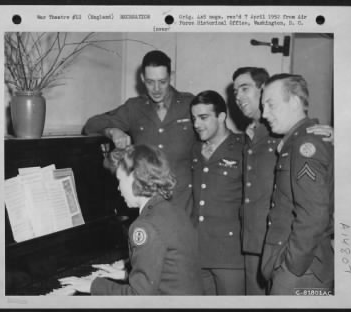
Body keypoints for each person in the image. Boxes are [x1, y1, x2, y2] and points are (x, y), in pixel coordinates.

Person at [232, 67, 334, 295]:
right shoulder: (290, 140)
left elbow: (314, 215)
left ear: (295, 102)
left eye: (271, 104)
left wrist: (290, 266)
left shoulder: (306, 143)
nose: (265, 113)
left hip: (299, 267)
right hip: (280, 256)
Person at [59, 144, 203, 295]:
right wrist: (124, 275)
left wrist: (92, 286)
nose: (118, 188)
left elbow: (137, 296)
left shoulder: (145, 226)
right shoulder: (175, 210)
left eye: (120, 180)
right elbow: (167, 272)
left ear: (135, 178)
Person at [83, 50, 196, 216]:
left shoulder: (189, 104)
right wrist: (113, 131)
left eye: (162, 82)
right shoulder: (134, 107)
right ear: (142, 78)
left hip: (183, 204)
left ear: (170, 76)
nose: (156, 89)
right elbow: (91, 125)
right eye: (150, 82)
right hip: (149, 207)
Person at [190, 90, 245, 295]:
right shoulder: (195, 149)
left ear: (221, 117)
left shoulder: (243, 146)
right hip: (199, 250)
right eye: (194, 118)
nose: (196, 124)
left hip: (230, 254)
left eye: (203, 118)